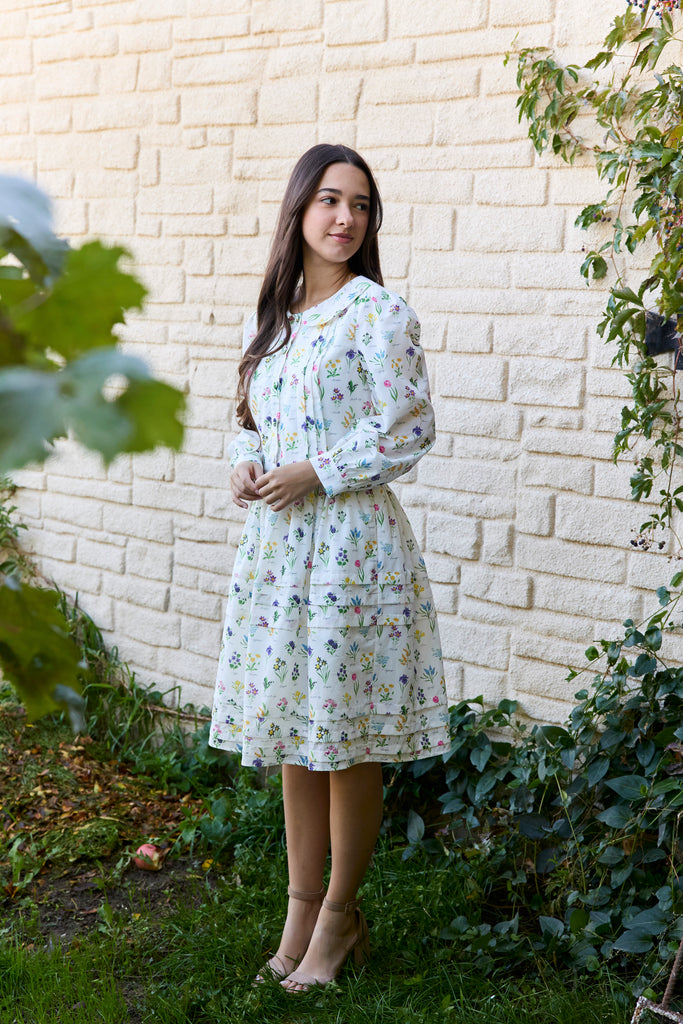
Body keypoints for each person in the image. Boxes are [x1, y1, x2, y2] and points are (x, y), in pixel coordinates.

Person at [209, 143, 450, 992]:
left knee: (344, 742)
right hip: (279, 552)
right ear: (299, 211)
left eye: (360, 204)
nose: (346, 218)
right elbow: (247, 419)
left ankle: (341, 919)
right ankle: (300, 910)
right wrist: (245, 463)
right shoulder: (268, 322)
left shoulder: (379, 314)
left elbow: (411, 428)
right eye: (329, 201)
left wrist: (319, 470)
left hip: (351, 551)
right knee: (295, 741)